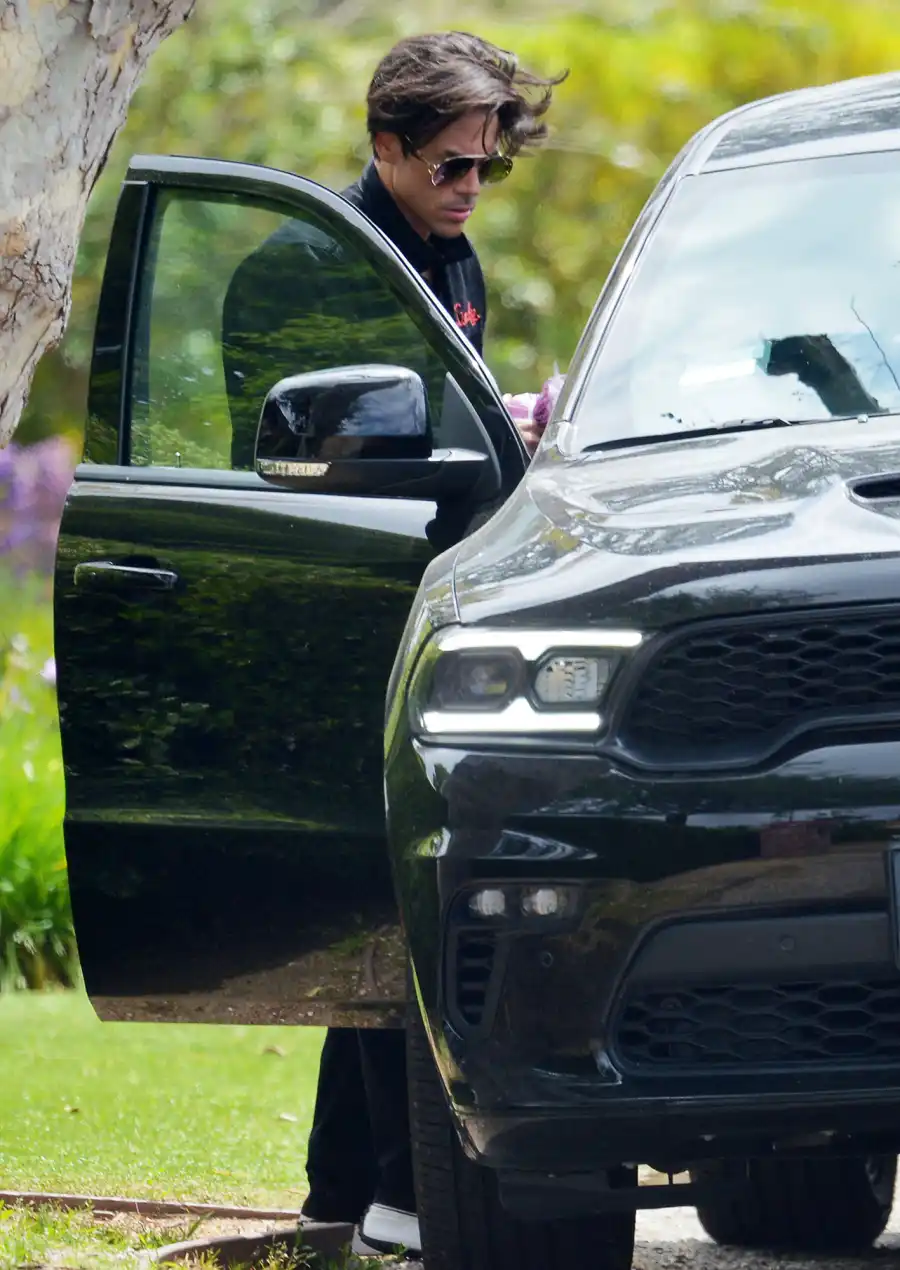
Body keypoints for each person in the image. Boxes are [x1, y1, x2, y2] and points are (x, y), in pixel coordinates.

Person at [296, 31, 566, 1258]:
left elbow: (437, 422)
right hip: (338, 620)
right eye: (453, 165)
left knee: (388, 909)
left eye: (488, 168)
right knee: (387, 911)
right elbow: (314, 443)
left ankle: (338, 1194)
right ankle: (395, 1194)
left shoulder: (451, 259)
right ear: (386, 146)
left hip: (433, 612)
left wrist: (508, 425)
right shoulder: (308, 262)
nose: (470, 187)